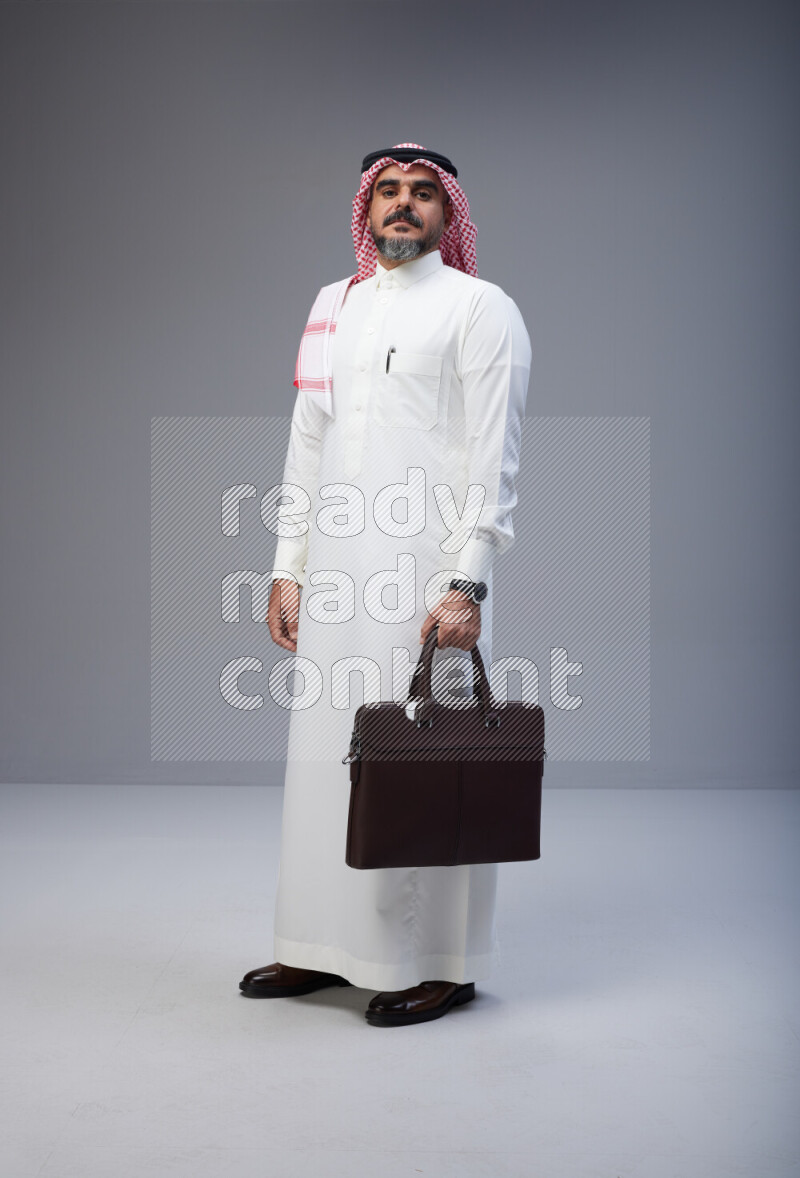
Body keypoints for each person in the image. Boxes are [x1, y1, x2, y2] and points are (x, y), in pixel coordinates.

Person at [239, 143, 531, 1027]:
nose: (402, 206)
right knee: (331, 754)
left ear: (450, 214)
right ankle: (322, 948)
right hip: (335, 570)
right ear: (366, 210)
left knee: (426, 757)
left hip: (425, 573)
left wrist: (466, 585)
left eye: (422, 194)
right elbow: (308, 443)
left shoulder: (482, 309)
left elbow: (494, 459)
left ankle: (437, 962)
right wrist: (288, 566)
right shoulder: (336, 305)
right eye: (388, 192)